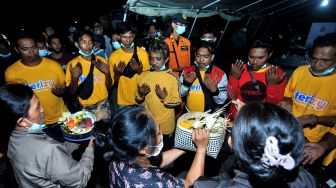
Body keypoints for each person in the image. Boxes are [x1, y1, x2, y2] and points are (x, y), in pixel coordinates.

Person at [193, 102, 317, 187]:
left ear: (231, 143)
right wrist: (248, 116)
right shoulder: (306, 178)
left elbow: (191, 183)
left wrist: (201, 148)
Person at [0, 83, 94, 187]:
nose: (42, 110)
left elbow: (49, 160)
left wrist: (73, 137)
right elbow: (81, 179)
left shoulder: (12, 138)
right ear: (22, 122)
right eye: (37, 107)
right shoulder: (48, 150)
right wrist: (90, 148)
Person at [94, 105, 209, 188]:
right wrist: (201, 149)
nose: (161, 133)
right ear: (143, 149)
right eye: (158, 133)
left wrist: (184, 146)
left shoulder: (119, 149)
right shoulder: (153, 182)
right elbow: (192, 184)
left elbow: (153, 162)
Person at [279, 33, 336, 175]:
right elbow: (289, 95)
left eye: (325, 61)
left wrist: (317, 119)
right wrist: (287, 103)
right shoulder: (300, 72)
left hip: (312, 144)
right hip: (288, 133)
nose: (317, 65)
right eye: (314, 59)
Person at [5, 33, 67, 125]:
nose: (31, 51)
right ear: (16, 50)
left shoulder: (54, 65)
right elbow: (14, 104)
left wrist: (62, 92)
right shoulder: (11, 72)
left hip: (61, 118)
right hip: (35, 124)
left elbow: (64, 87)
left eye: (34, 47)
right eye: (25, 49)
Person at [136, 40, 181, 150]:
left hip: (165, 126)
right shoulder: (144, 75)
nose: (154, 62)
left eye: (158, 59)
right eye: (151, 58)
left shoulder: (172, 77)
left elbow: (177, 102)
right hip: (149, 124)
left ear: (166, 59)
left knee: (164, 154)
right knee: (149, 152)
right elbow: (137, 99)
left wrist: (164, 98)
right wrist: (140, 93)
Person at [227, 37, 286, 120]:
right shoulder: (239, 68)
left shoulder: (276, 73)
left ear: (270, 55)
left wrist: (272, 86)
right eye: (251, 57)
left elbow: (274, 104)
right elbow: (230, 97)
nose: (255, 62)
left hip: (259, 121)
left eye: (260, 58)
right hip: (236, 118)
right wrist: (234, 78)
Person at [66, 30, 112, 118]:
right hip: (85, 107)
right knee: (88, 131)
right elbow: (72, 92)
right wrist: (75, 78)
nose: (88, 46)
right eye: (84, 42)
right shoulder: (73, 64)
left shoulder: (101, 61)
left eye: (90, 42)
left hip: (103, 105)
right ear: (76, 44)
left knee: (105, 131)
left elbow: (109, 86)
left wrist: (107, 73)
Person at [109, 22, 150, 107]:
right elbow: (112, 83)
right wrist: (118, 74)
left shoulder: (142, 53)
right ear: (119, 37)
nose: (128, 40)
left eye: (130, 37)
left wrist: (140, 72)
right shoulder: (113, 57)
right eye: (124, 37)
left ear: (134, 36)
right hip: (123, 100)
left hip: (140, 99)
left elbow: (148, 79)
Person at [180, 42, 228, 113]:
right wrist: (186, 85)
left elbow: (221, 101)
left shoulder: (220, 74)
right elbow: (179, 94)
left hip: (207, 115)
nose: (201, 60)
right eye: (198, 56)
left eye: (205, 57)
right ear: (195, 55)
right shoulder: (187, 71)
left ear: (212, 57)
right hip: (188, 113)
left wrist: (215, 91)